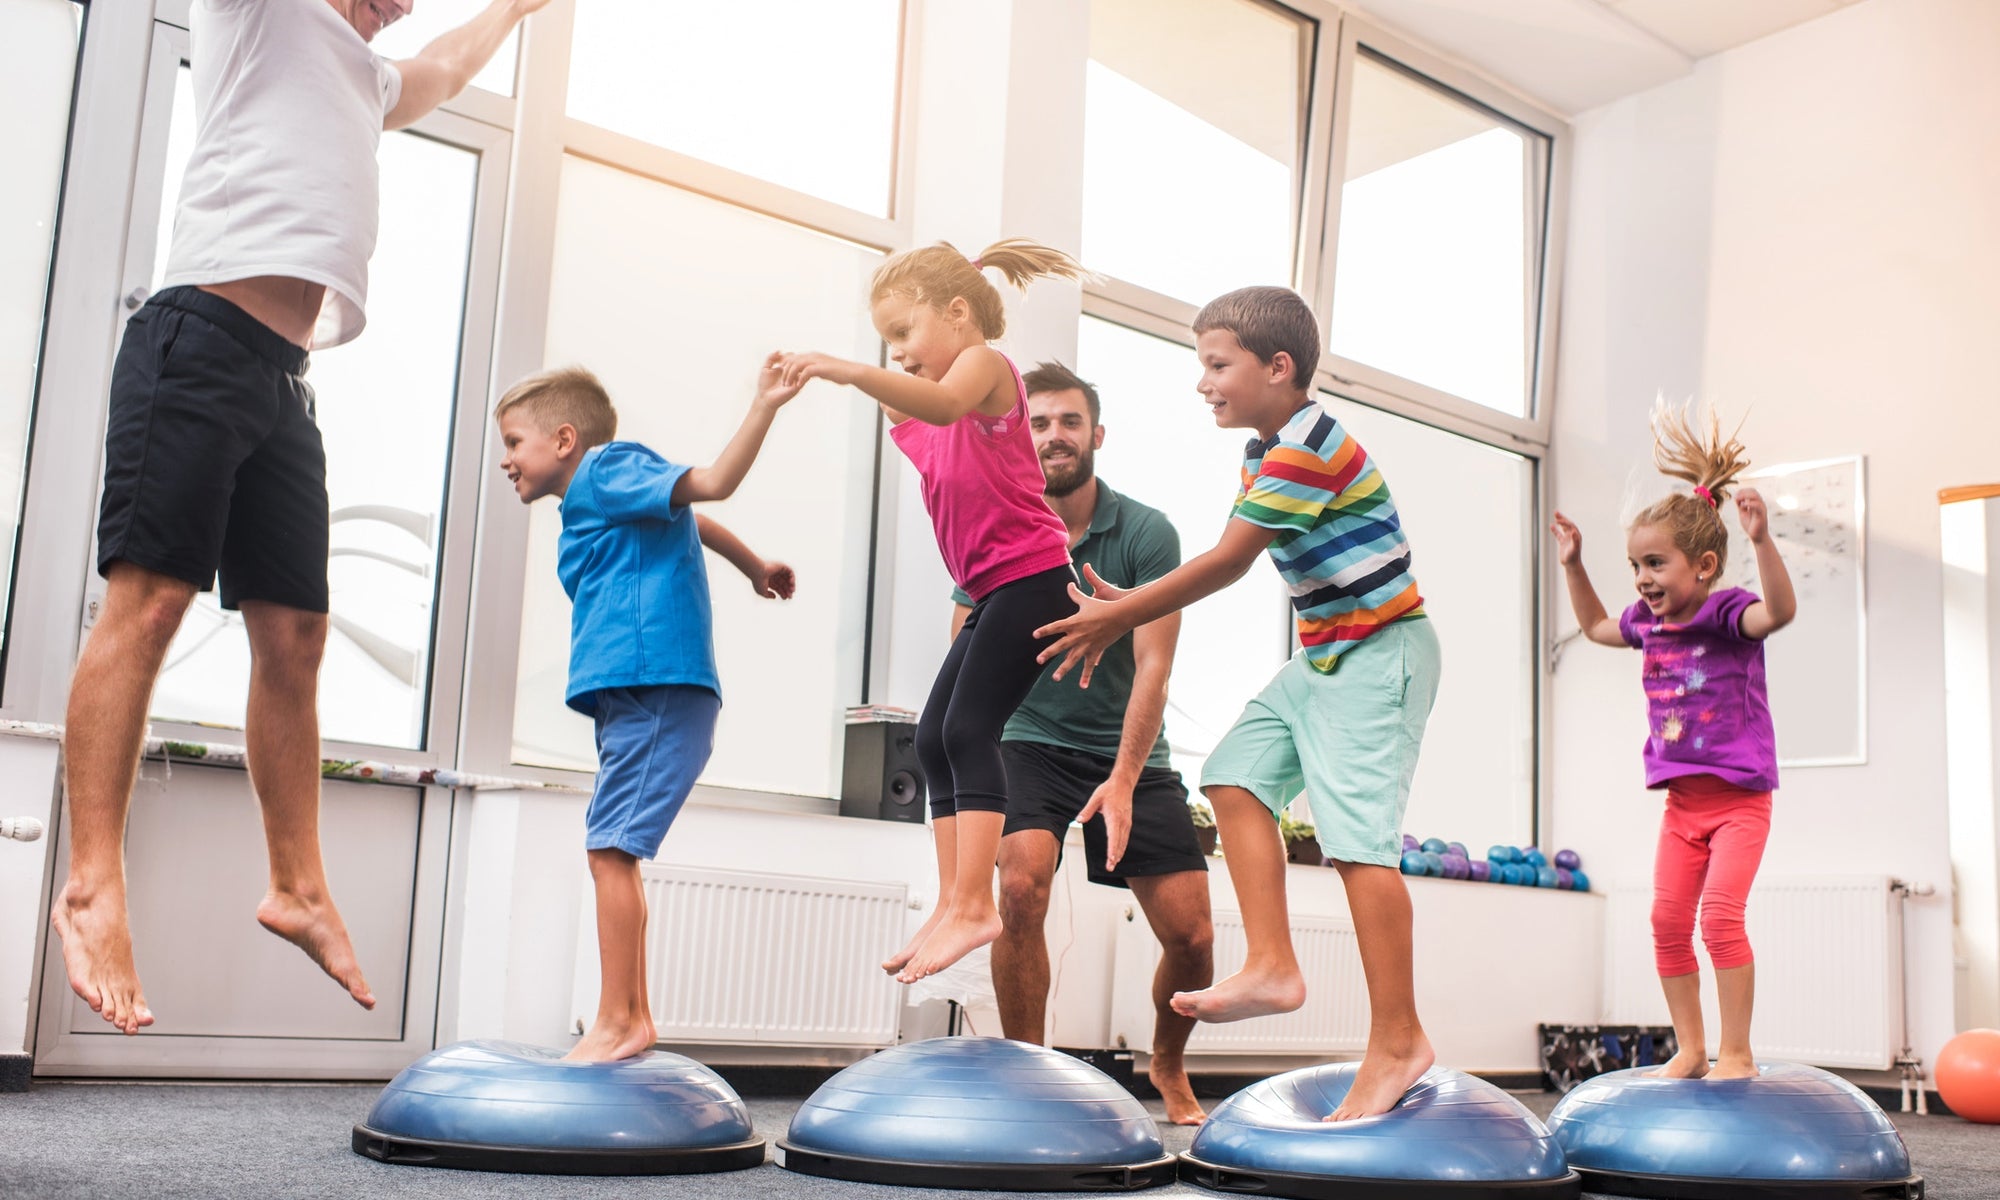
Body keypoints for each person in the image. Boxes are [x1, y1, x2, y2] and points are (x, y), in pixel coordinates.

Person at [54, 0, 550, 1036]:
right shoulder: (258, 14)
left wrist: (511, 7)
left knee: (297, 637)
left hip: (284, 377)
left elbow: (446, 69)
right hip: (195, 340)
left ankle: (299, 885)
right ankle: (94, 884)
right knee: (148, 608)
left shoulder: (361, 76)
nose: (403, 6)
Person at [1036, 286, 1442, 1120]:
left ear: (1278, 367)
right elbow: (1232, 556)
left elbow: (1226, 562)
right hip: (1330, 650)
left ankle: (1399, 1040)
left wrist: (1122, 611)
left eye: (1217, 365)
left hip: (1381, 650)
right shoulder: (1265, 450)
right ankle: (1272, 965)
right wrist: (1129, 604)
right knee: (1231, 777)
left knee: (1360, 846)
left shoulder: (1309, 446)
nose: (1203, 383)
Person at [776, 239, 1088, 984]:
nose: (901, 355)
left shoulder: (983, 367)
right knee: (932, 738)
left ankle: (974, 902)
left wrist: (847, 367)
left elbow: (941, 395)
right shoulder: (933, 413)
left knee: (971, 728)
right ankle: (956, 900)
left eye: (906, 334)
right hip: (994, 590)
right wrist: (814, 377)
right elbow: (915, 404)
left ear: (956, 312)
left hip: (1035, 577)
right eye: (889, 344)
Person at [496, 362, 799, 1062]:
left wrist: (763, 404)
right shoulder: (599, 496)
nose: (507, 460)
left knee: (609, 850)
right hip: (633, 694)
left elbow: (710, 485)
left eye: (515, 441)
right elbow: (692, 518)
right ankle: (627, 1017)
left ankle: (622, 1021)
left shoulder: (605, 469)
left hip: (657, 684)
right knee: (612, 850)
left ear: (564, 439)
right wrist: (754, 567)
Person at [949, 362, 1213, 1126]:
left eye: (1069, 422)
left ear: (1097, 435)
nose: (1054, 436)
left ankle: (1166, 1061)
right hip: (1028, 740)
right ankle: (1027, 1069)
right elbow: (964, 661)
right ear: (1019, 436)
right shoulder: (999, 527)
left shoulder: (1144, 532)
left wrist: (1127, 777)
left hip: (1128, 751)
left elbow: (1155, 665)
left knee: (1192, 936)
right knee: (1022, 885)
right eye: (1038, 423)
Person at [1549, 400, 1795, 1081]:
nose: (1643, 580)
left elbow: (1781, 611)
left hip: (1740, 802)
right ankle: (1689, 1047)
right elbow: (1598, 626)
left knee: (1720, 920)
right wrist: (1575, 563)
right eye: (1635, 566)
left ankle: (1736, 1051)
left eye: (1655, 563)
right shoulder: (1647, 624)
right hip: (1682, 809)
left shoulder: (1726, 614)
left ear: (1706, 564)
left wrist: (1764, 541)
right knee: (1664, 923)